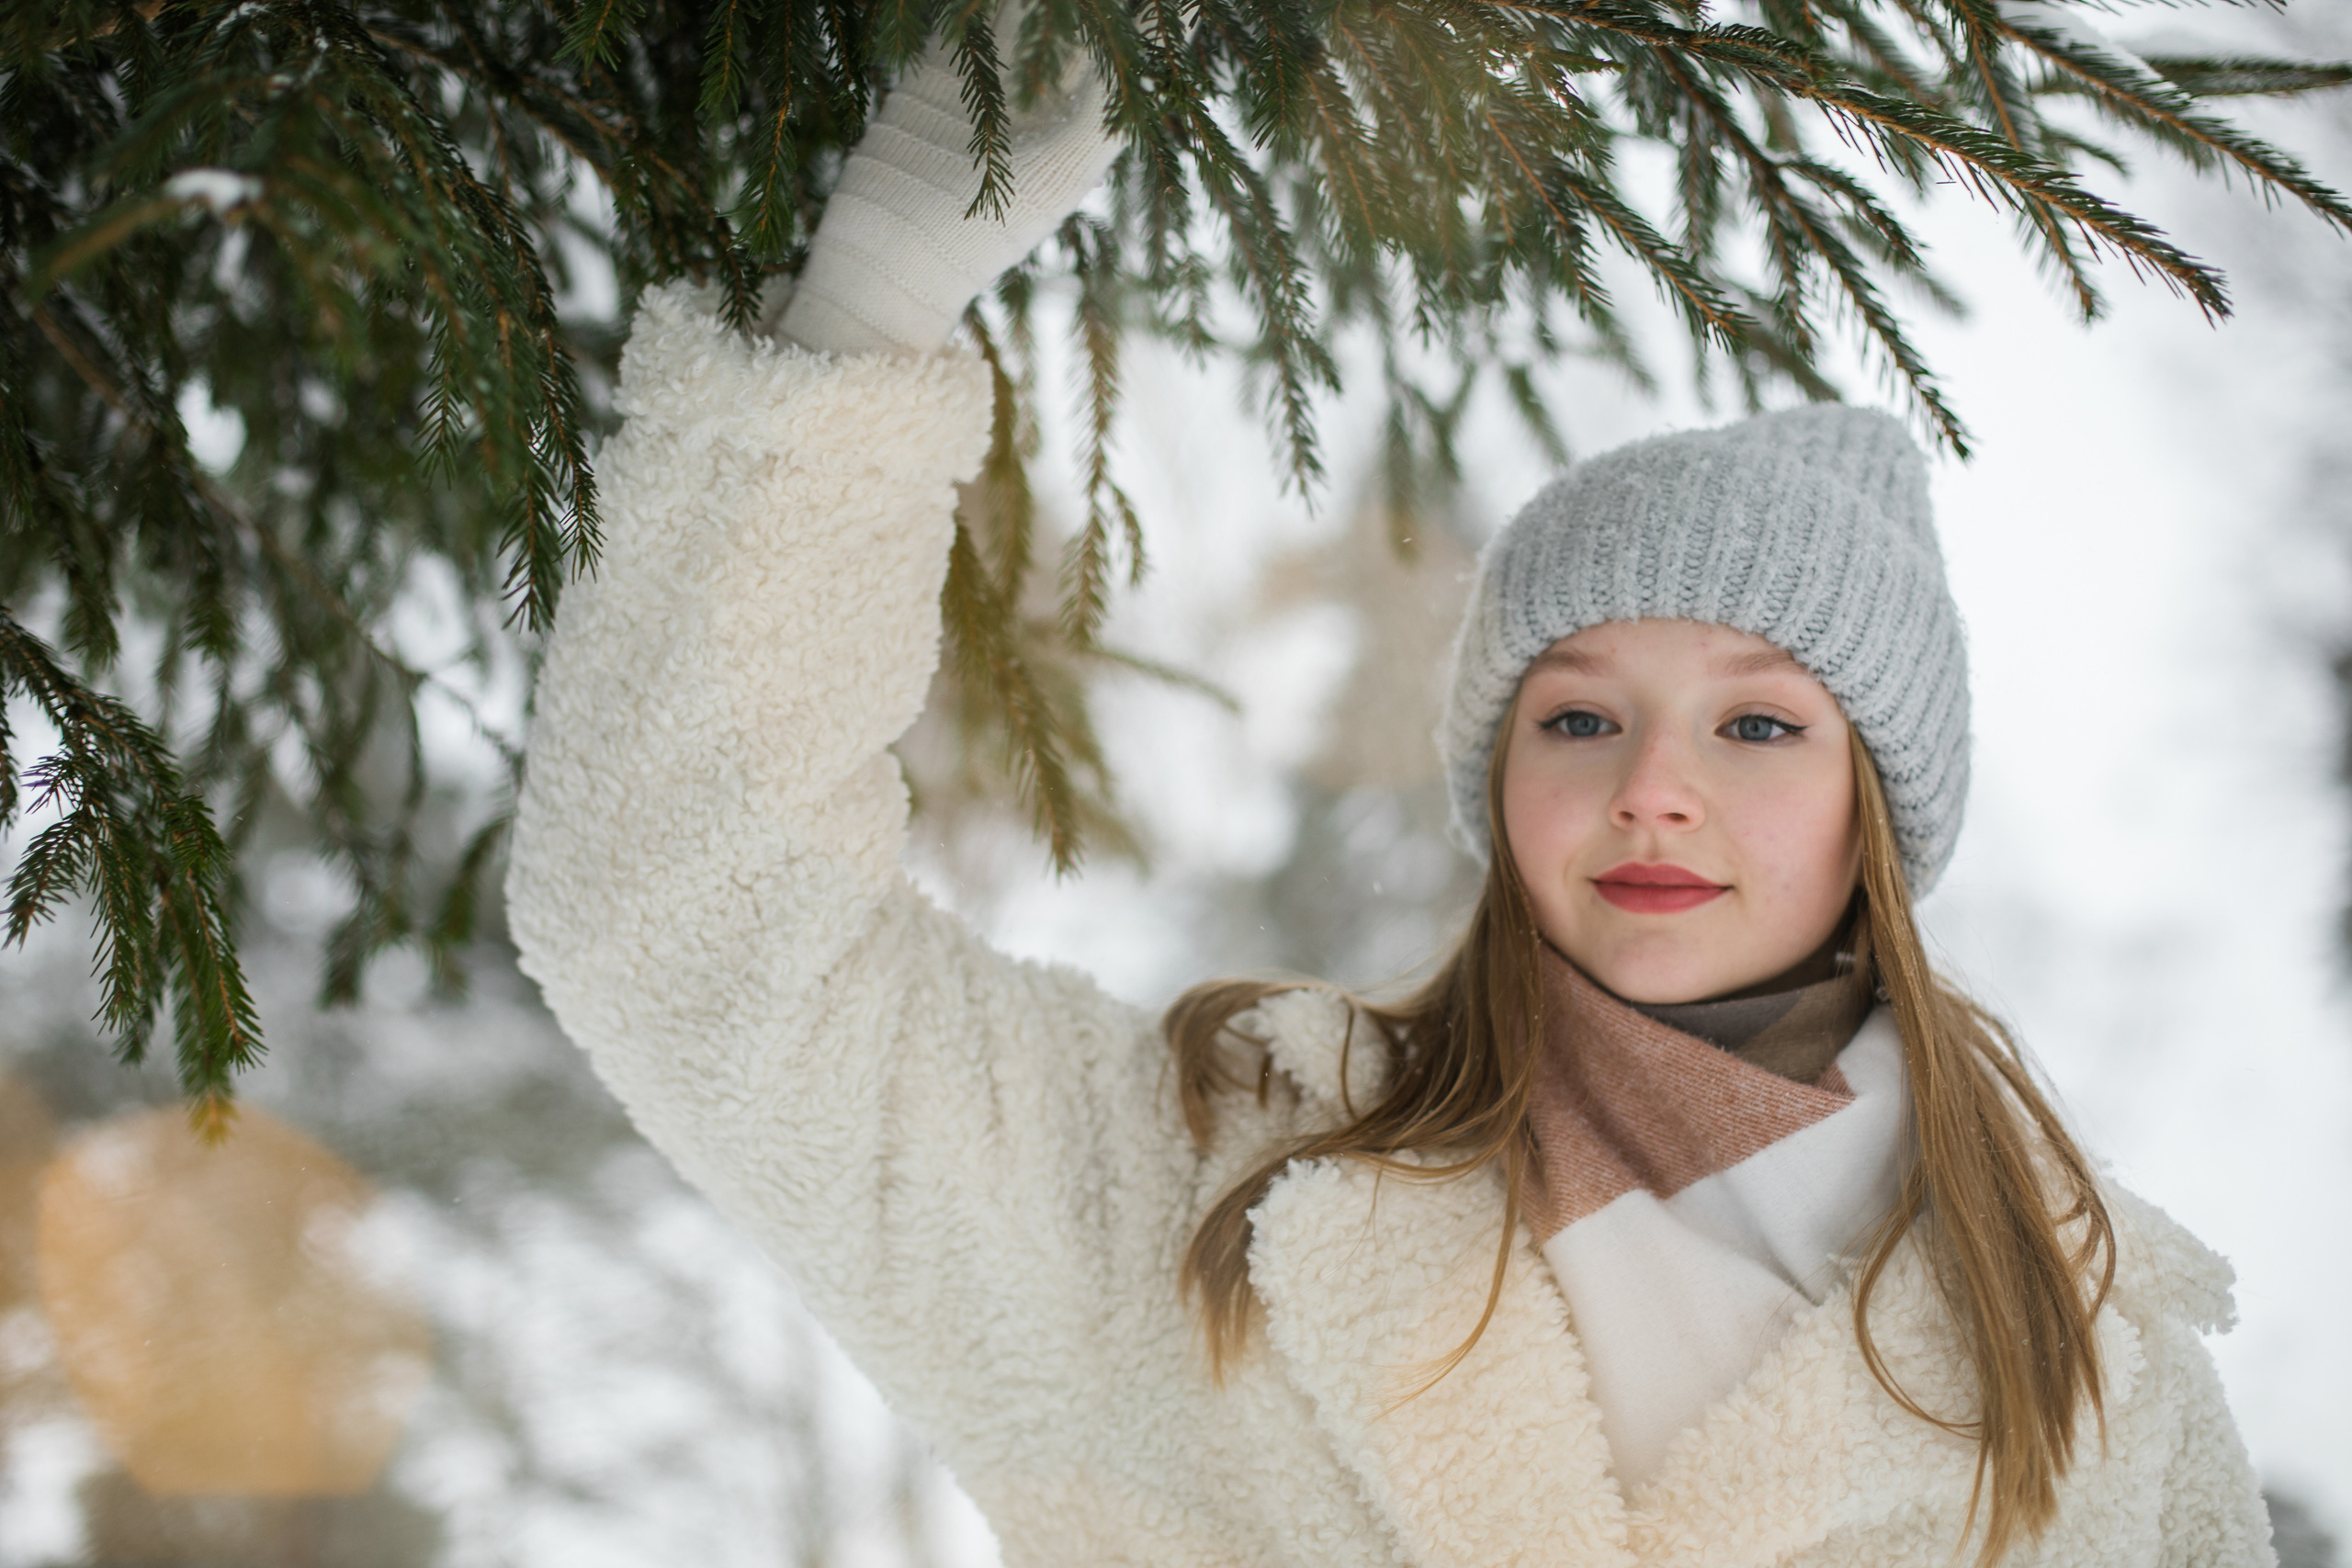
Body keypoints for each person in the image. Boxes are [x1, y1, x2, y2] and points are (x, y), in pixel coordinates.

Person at [507, 37, 2275, 1568]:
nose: (1653, 792)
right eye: (1578, 719)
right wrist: (868, 309)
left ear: (1877, 811)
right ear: (1498, 784)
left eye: (1757, 728)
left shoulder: (2103, 1390)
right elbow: (684, 927)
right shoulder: (1207, 1196)